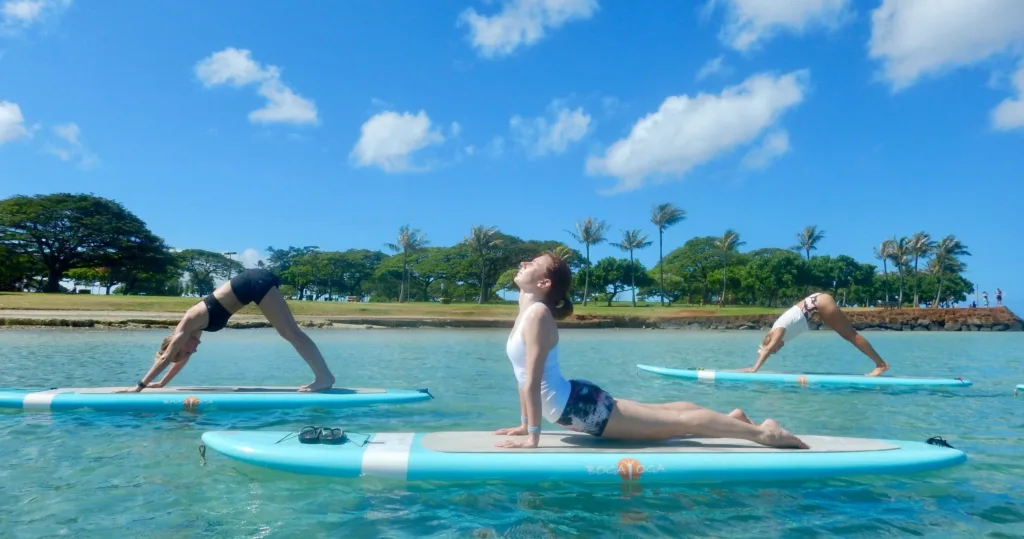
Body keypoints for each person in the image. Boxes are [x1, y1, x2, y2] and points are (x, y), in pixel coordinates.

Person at [492, 251, 808, 450]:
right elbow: (522, 377)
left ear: (544, 283)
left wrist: (533, 436)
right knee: (665, 415)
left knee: (678, 422)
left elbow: (532, 381)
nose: (524, 263)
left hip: (581, 409)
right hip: (575, 403)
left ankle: (765, 434)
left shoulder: (537, 315)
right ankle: (732, 419)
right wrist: (524, 424)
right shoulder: (527, 312)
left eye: (532, 264)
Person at [120, 268, 336, 393]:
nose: (193, 351)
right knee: (291, 333)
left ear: (177, 344)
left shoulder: (186, 325)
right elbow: (179, 360)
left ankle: (324, 377)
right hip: (255, 283)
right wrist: (162, 383)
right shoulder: (193, 331)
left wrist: (139, 387)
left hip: (254, 282)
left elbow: (166, 357)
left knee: (291, 333)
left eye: (187, 351)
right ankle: (324, 376)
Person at [741, 292, 889, 377]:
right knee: (846, 334)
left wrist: (754, 368)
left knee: (851, 335)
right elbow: (766, 348)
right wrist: (761, 352)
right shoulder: (777, 333)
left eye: (775, 349)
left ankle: (881, 365)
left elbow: (768, 348)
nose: (777, 350)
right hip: (818, 305)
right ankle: (880, 364)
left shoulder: (778, 330)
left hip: (819, 303)